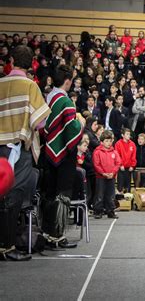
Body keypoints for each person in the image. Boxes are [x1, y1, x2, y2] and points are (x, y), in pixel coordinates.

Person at [0, 45, 51, 261]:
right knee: (12, 196)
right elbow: (40, 122)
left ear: (11, 60)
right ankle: (7, 246)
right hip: (17, 149)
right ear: (31, 63)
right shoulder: (30, 86)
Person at [42, 64, 83, 248]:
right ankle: (57, 235)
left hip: (49, 152)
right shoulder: (65, 102)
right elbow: (71, 130)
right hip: (65, 155)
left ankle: (46, 233)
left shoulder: (48, 99)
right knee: (62, 194)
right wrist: (81, 123)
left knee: (49, 193)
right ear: (67, 82)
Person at [92, 130, 121, 219]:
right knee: (100, 194)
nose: (109, 143)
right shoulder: (97, 152)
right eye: (106, 141)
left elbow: (118, 163)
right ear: (102, 142)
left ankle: (110, 211)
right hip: (101, 177)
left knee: (111, 195)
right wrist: (103, 173)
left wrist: (113, 173)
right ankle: (98, 211)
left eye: (110, 141)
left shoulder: (114, 152)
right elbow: (96, 164)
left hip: (111, 177)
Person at [115, 128, 137, 194]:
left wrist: (132, 166)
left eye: (129, 134)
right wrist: (120, 165)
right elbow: (117, 155)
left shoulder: (132, 144)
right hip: (121, 168)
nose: (129, 135)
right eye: (127, 134)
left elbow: (134, 155)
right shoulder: (118, 144)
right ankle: (120, 199)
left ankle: (128, 199)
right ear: (122, 135)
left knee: (128, 186)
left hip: (129, 168)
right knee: (120, 185)